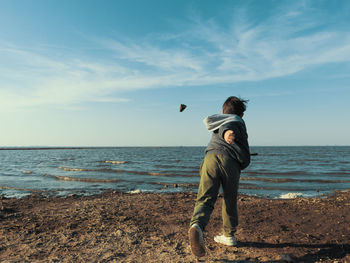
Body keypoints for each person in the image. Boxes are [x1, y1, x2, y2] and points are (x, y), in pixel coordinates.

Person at [188, 96, 250, 258]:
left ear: (223, 111)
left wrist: (224, 132)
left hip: (210, 159)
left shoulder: (218, 121)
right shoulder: (236, 121)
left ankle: (197, 225)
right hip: (229, 162)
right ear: (242, 115)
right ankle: (229, 235)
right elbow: (229, 129)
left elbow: (225, 128)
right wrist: (227, 134)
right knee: (229, 198)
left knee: (205, 198)